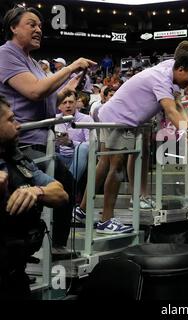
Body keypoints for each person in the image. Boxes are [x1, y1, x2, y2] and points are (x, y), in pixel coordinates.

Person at [74, 46, 188, 234]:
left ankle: (83, 209)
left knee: (103, 163)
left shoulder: (169, 68)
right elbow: (170, 110)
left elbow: (177, 106)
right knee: (116, 168)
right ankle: (106, 220)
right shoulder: (161, 78)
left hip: (110, 115)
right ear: (181, 68)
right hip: (121, 121)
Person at [0, 6, 96, 255]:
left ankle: (55, 246)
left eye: (40, 26)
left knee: (66, 185)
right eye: (32, 24)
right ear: (13, 27)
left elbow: (48, 100)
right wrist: (70, 67)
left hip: (41, 141)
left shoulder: (31, 61)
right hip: (20, 144)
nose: (38, 29)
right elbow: (34, 91)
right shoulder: (5, 54)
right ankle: (34, 250)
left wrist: (72, 83)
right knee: (53, 187)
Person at [0, 96, 68, 299]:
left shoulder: (15, 160)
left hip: (14, 275)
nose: (18, 125)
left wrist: (36, 191)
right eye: (11, 120)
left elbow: (60, 193)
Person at [55, 92, 93, 183]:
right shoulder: (54, 119)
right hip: (60, 157)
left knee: (83, 148)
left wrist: (70, 143)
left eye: (71, 102)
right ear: (59, 106)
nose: (68, 105)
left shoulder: (86, 119)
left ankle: (70, 184)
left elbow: (91, 144)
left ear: (76, 103)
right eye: (64, 103)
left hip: (79, 156)